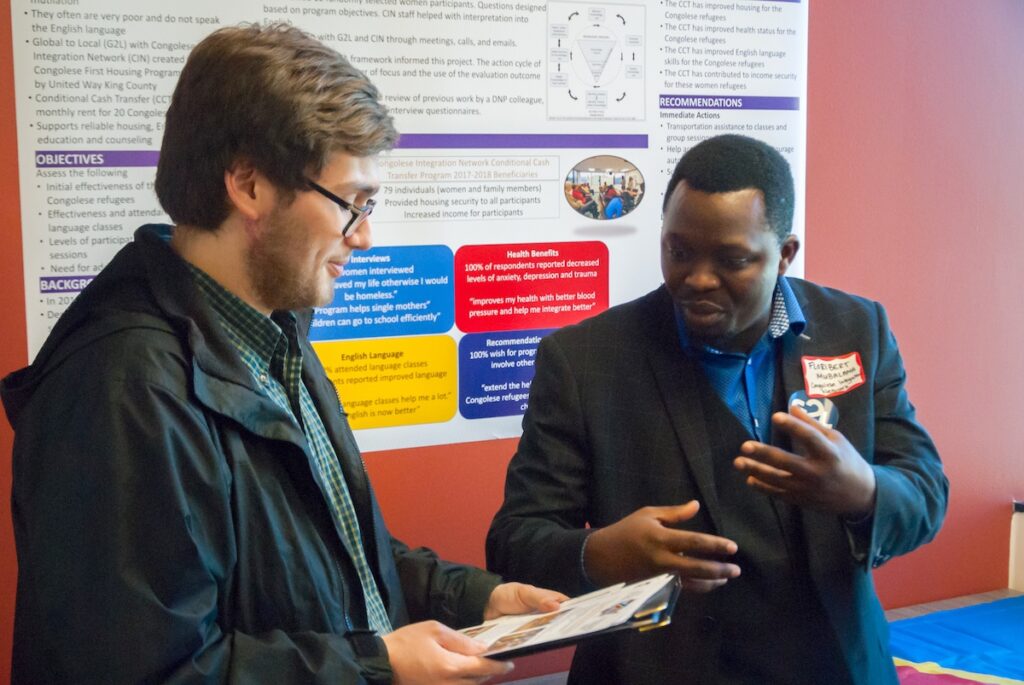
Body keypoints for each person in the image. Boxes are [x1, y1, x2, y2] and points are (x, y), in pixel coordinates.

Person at [1, 23, 566, 684]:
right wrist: (376, 666)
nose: (365, 237)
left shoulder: (275, 329)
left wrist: (476, 599)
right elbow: (145, 671)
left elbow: (335, 558)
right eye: (351, 203)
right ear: (249, 185)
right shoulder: (126, 388)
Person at [487, 134, 948, 684]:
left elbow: (925, 493)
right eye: (678, 251)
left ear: (785, 254)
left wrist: (863, 492)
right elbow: (515, 540)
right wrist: (602, 553)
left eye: (733, 260)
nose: (698, 279)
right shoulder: (585, 361)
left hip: (835, 665)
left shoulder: (856, 330)